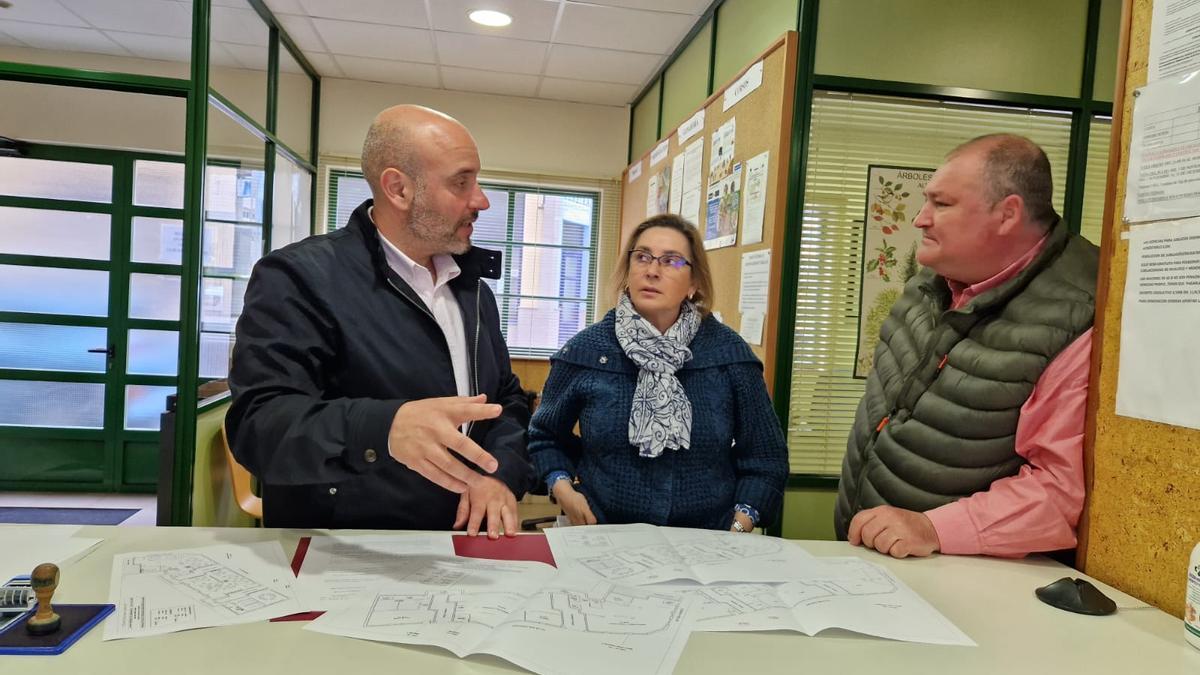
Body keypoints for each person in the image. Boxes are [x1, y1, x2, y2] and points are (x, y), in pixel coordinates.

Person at [226, 105, 535, 537]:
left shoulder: (472, 289)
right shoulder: (300, 278)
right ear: (399, 189)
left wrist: (499, 474)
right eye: (461, 182)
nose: (481, 200)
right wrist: (384, 429)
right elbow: (260, 427)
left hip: (458, 547)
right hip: (343, 557)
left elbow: (505, 400)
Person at [835, 134, 1099, 559]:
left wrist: (932, 528)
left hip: (957, 580)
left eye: (941, 204)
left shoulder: (1076, 312)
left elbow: (1058, 490)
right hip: (877, 556)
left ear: (1007, 213)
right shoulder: (932, 279)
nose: (920, 219)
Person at [527, 214, 789, 532]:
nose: (652, 270)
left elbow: (765, 456)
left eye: (671, 261)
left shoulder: (728, 355)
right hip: (602, 533)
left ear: (694, 283)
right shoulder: (586, 351)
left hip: (709, 542)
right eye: (642, 257)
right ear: (628, 271)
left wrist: (740, 523)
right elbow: (544, 437)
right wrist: (562, 488)